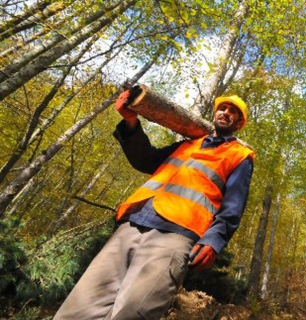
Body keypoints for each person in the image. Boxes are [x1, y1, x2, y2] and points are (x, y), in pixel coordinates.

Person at [54, 88, 254, 319]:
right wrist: (130, 124)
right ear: (215, 112)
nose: (226, 113)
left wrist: (215, 239)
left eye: (233, 112)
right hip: (133, 222)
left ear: (239, 123)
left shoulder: (240, 155)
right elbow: (146, 160)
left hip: (177, 235)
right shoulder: (188, 144)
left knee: (133, 311)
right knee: (81, 304)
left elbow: (234, 204)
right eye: (223, 108)